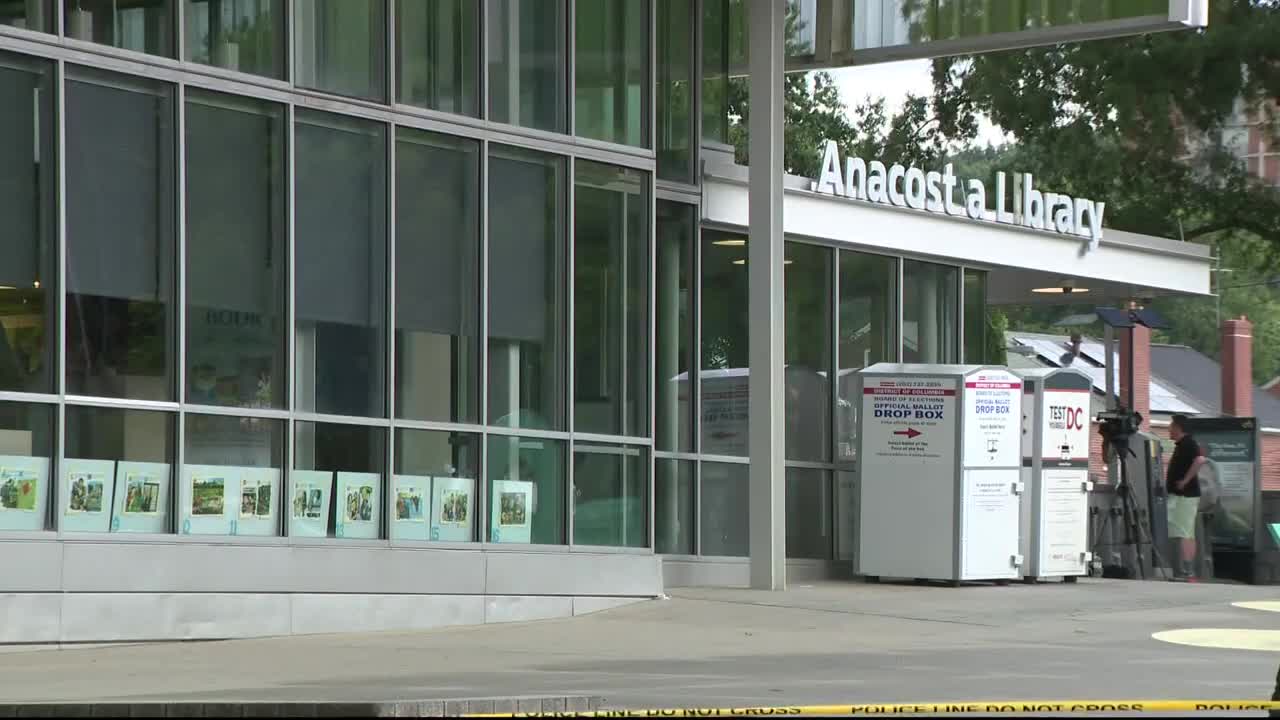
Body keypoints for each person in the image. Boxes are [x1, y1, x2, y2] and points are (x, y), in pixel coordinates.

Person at [1166, 414, 1207, 581]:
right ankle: (1183, 570)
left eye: (1171, 425)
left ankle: (1186, 571)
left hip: (1185, 495)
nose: (1169, 428)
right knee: (1182, 531)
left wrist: (1184, 481)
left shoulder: (1188, 443)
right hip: (1179, 495)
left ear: (1177, 427)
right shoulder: (1181, 445)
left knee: (1185, 532)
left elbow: (1200, 460)